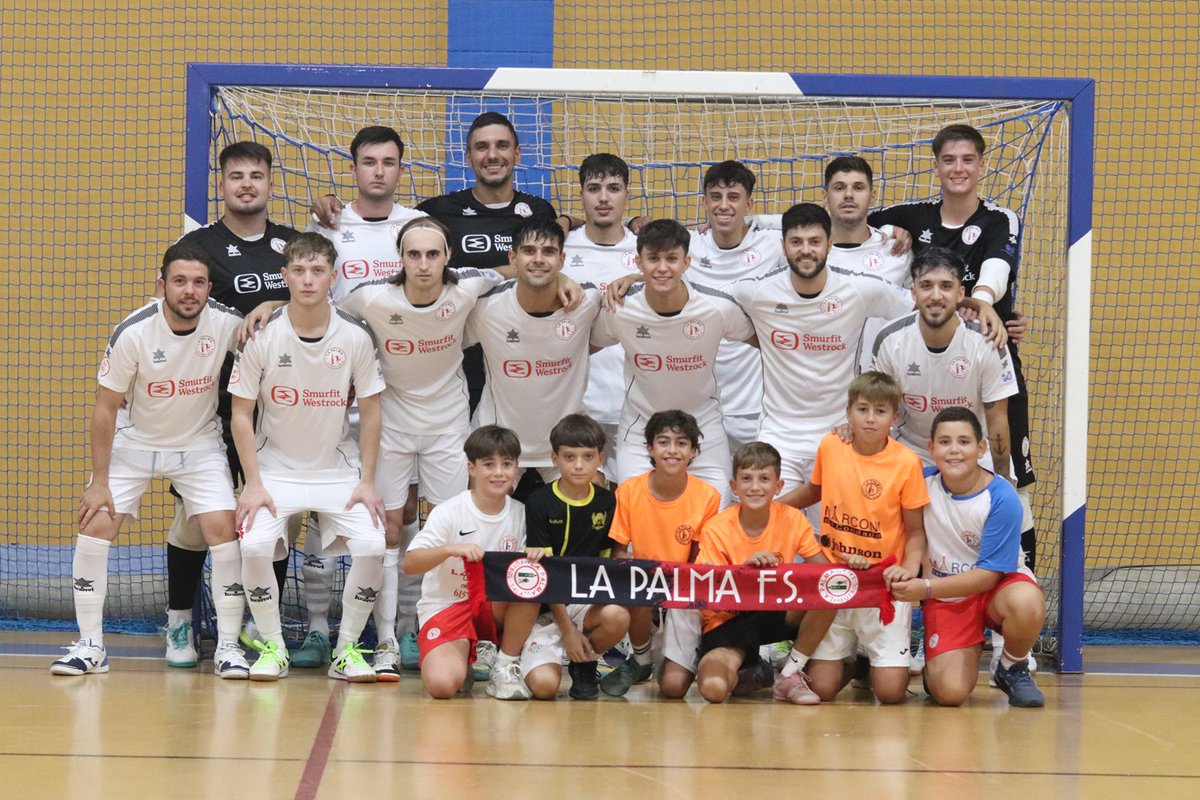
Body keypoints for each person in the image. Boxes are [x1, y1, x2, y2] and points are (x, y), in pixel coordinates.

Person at [51, 243, 247, 678]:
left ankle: (229, 648)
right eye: (179, 282)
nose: (189, 291)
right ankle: (91, 646)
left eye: (198, 282)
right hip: (134, 443)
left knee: (222, 527)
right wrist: (99, 482)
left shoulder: (226, 322)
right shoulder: (134, 333)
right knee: (96, 522)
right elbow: (104, 409)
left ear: (209, 288)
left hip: (198, 444)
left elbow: (271, 329)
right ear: (162, 286)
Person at [870, 124, 1037, 571]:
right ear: (937, 165)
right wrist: (889, 228)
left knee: (1011, 483)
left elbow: (998, 269)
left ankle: (1018, 584)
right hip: (924, 366)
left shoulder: (999, 219)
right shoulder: (915, 216)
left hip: (988, 355)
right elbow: (854, 225)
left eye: (967, 160)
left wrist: (982, 303)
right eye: (949, 160)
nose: (958, 169)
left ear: (981, 166)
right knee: (917, 496)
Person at [229, 233, 386, 682]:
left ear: (332, 277)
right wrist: (253, 483)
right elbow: (241, 414)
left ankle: (348, 649)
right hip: (274, 469)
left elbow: (372, 410)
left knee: (374, 545)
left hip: (337, 468)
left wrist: (368, 479)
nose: (308, 279)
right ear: (285, 276)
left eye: (318, 271)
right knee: (255, 544)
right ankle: (273, 647)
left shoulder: (355, 336)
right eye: (298, 270)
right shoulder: (262, 335)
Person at [164, 141, 297, 667]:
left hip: (281, 406)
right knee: (199, 520)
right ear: (222, 185)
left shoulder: (291, 245)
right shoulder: (198, 245)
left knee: (274, 521)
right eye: (236, 175)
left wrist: (275, 301)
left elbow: (320, 295)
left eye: (257, 176)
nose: (247, 184)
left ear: (270, 184)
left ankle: (266, 629)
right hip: (209, 405)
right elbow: (178, 307)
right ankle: (178, 625)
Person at [725, 203, 914, 522]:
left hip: (839, 434)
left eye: (814, 241)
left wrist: (979, 307)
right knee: (769, 532)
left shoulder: (860, 287)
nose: (806, 250)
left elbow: (921, 307)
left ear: (829, 244)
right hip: (777, 434)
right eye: (796, 242)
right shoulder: (756, 291)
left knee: (831, 537)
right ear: (784, 246)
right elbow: (697, 298)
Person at [781, 372, 930, 704]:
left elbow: (916, 531)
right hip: (837, 579)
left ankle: (875, 663)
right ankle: (855, 664)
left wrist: (908, 567)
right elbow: (813, 491)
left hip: (882, 584)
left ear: (894, 418)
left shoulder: (907, 463)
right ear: (848, 412)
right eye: (862, 409)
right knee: (820, 688)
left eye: (880, 411)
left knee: (890, 694)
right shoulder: (832, 445)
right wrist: (771, 508)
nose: (870, 418)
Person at [590, 219, 756, 503]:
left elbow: (768, 343)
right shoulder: (619, 308)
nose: (663, 267)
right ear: (638, 262)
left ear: (687, 262)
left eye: (671, 259)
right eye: (653, 259)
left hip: (704, 428)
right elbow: (580, 348)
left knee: (714, 519)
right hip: (640, 429)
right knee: (636, 528)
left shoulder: (717, 308)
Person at [890, 407, 1046, 707]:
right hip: (949, 598)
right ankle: (946, 658)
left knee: (1027, 602)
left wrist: (925, 588)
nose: (954, 450)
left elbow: (988, 576)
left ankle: (1011, 666)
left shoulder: (1002, 498)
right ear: (931, 449)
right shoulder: (919, 485)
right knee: (950, 693)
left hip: (995, 590)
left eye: (964, 441)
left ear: (981, 447)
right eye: (945, 442)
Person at [467, 218, 602, 500]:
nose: (539, 260)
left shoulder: (586, 302)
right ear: (513, 258)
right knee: (476, 521)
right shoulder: (485, 307)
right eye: (529, 251)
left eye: (549, 252)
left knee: (598, 502)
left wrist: (634, 278)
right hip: (499, 437)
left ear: (562, 259)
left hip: (564, 441)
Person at [501, 414, 628, 700]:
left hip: (586, 604)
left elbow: (605, 564)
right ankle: (539, 654)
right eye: (570, 457)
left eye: (587, 456)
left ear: (600, 459)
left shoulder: (607, 501)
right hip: (547, 610)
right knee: (545, 689)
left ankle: (585, 664)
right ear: (555, 458)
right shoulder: (539, 502)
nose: (579, 465)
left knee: (617, 616)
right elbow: (544, 576)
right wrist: (568, 631)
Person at [402, 425, 534, 700]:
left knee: (529, 584)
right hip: (448, 605)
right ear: (471, 468)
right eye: (489, 464)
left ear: (516, 468)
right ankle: (462, 661)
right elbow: (410, 563)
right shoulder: (449, 511)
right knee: (441, 686)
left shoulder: (522, 514)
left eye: (506, 464)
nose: (498, 472)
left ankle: (504, 666)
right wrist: (450, 549)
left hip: (494, 607)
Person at [693, 442, 829, 705]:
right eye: (746, 479)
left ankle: (790, 673)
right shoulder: (716, 528)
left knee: (826, 595)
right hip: (729, 620)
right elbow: (706, 590)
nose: (755, 487)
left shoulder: (792, 518)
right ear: (734, 487)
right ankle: (751, 669)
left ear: (778, 486)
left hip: (777, 611)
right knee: (714, 689)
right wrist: (745, 573)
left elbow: (824, 572)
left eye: (764, 479)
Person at [599, 410, 721, 699]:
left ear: (693, 451)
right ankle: (641, 659)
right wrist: (644, 582)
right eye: (663, 442)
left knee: (672, 688)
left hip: (682, 590)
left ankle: (688, 654)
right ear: (650, 449)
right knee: (635, 582)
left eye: (681, 443)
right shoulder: (629, 491)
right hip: (641, 584)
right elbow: (618, 552)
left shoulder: (708, 496)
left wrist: (674, 592)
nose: (672, 450)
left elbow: (697, 558)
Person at [872, 246, 1018, 472]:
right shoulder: (891, 340)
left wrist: (1003, 483)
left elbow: (997, 420)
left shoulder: (987, 341)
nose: (936, 296)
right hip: (912, 452)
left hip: (971, 452)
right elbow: (877, 410)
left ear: (960, 294)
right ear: (913, 292)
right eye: (926, 286)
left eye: (946, 286)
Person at [561, 154, 642, 481]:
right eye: (594, 188)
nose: (604, 197)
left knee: (633, 514)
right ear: (581, 194)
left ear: (627, 195)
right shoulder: (561, 251)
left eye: (613, 188)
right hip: (579, 406)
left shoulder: (647, 253)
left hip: (635, 408)